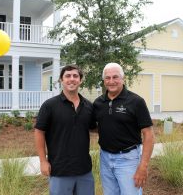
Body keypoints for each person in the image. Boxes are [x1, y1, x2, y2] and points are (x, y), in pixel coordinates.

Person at [93, 63, 155, 195]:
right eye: (107, 78)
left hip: (128, 159)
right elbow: (94, 127)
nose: (111, 81)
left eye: (115, 77)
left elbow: (148, 134)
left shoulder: (136, 102)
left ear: (123, 79)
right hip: (105, 158)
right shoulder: (98, 103)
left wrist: (143, 166)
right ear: (104, 81)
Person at [34, 64, 95, 195]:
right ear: (61, 80)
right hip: (59, 170)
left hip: (84, 170)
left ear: (80, 80)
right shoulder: (49, 105)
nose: (71, 79)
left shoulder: (89, 106)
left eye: (75, 76)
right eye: (67, 76)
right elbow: (39, 132)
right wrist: (43, 161)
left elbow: (95, 128)